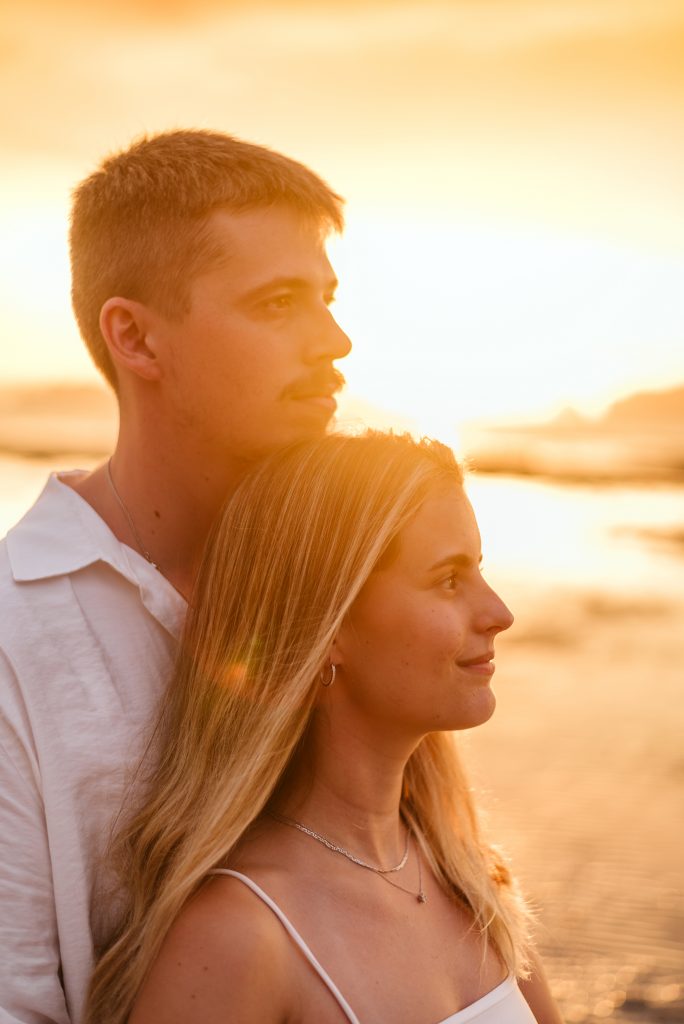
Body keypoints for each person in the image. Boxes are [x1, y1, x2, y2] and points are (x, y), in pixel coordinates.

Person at [0, 129, 351, 1024]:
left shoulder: (346, 581)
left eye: (328, 300)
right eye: (278, 304)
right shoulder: (15, 635)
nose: (336, 342)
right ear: (136, 338)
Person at [86, 431, 562, 1024]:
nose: (499, 613)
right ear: (330, 627)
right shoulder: (236, 939)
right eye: (448, 579)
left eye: (479, 572)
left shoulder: (469, 878)